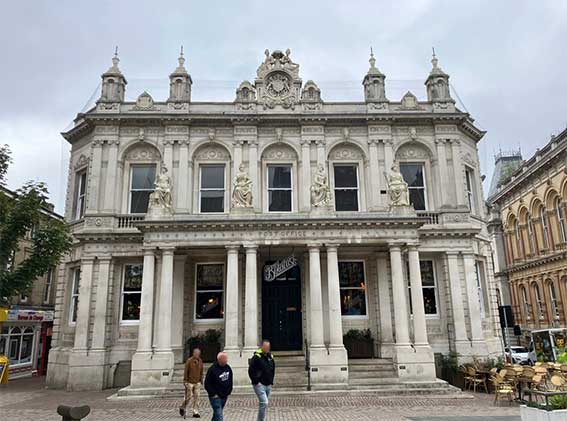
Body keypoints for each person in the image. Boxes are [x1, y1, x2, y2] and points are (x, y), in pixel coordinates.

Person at [248, 340, 276, 421]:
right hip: (260, 384)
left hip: (268, 384)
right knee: (264, 402)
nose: (267, 348)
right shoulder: (256, 357)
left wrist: (271, 381)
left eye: (268, 347)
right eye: (265, 347)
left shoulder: (270, 357)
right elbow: (251, 370)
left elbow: (273, 369)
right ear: (262, 347)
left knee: (263, 404)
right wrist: (256, 381)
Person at [204, 352, 233, 421]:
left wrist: (229, 391)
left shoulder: (228, 368)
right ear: (219, 360)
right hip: (215, 397)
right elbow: (207, 383)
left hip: (224, 395)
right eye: (223, 360)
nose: (225, 361)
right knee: (219, 414)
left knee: (216, 414)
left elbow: (230, 380)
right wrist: (213, 394)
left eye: (226, 359)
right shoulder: (212, 369)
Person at [179, 348, 204, 418]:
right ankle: (182, 407)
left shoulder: (200, 361)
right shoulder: (189, 361)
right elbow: (186, 371)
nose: (197, 355)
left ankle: (195, 411)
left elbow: (201, 371)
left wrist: (201, 380)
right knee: (188, 397)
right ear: (193, 353)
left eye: (198, 354)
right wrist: (185, 380)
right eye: (196, 353)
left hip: (197, 382)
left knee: (197, 397)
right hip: (189, 382)